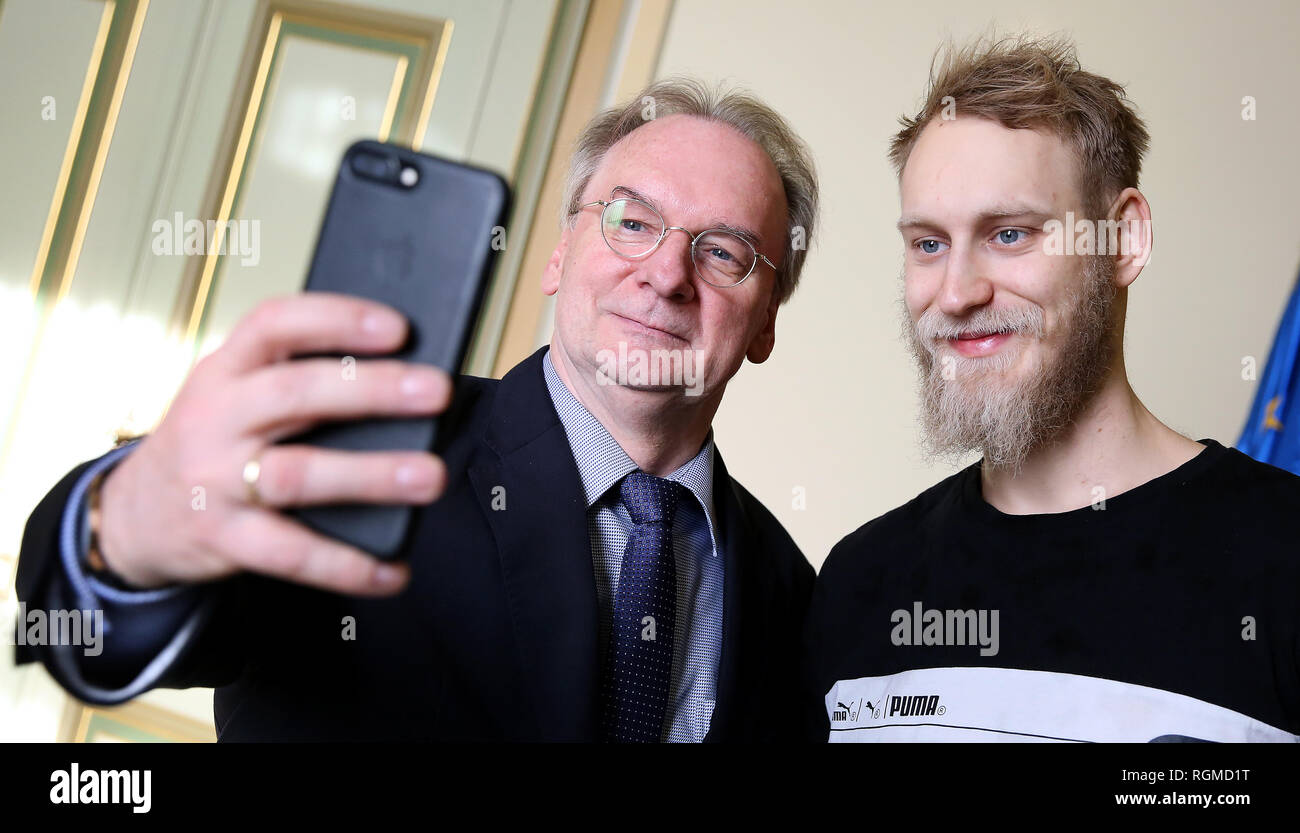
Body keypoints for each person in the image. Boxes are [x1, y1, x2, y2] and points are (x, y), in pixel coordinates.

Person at [15, 77, 820, 742]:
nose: (665, 272)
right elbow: (92, 629)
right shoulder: (362, 454)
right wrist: (120, 534)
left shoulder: (798, 594)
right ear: (560, 252)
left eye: (723, 252)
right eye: (631, 221)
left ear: (767, 320)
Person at [804, 35, 1300, 742]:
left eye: (1009, 233)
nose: (957, 292)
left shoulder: (1282, 555)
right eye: (928, 243)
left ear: (1123, 240)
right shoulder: (858, 581)